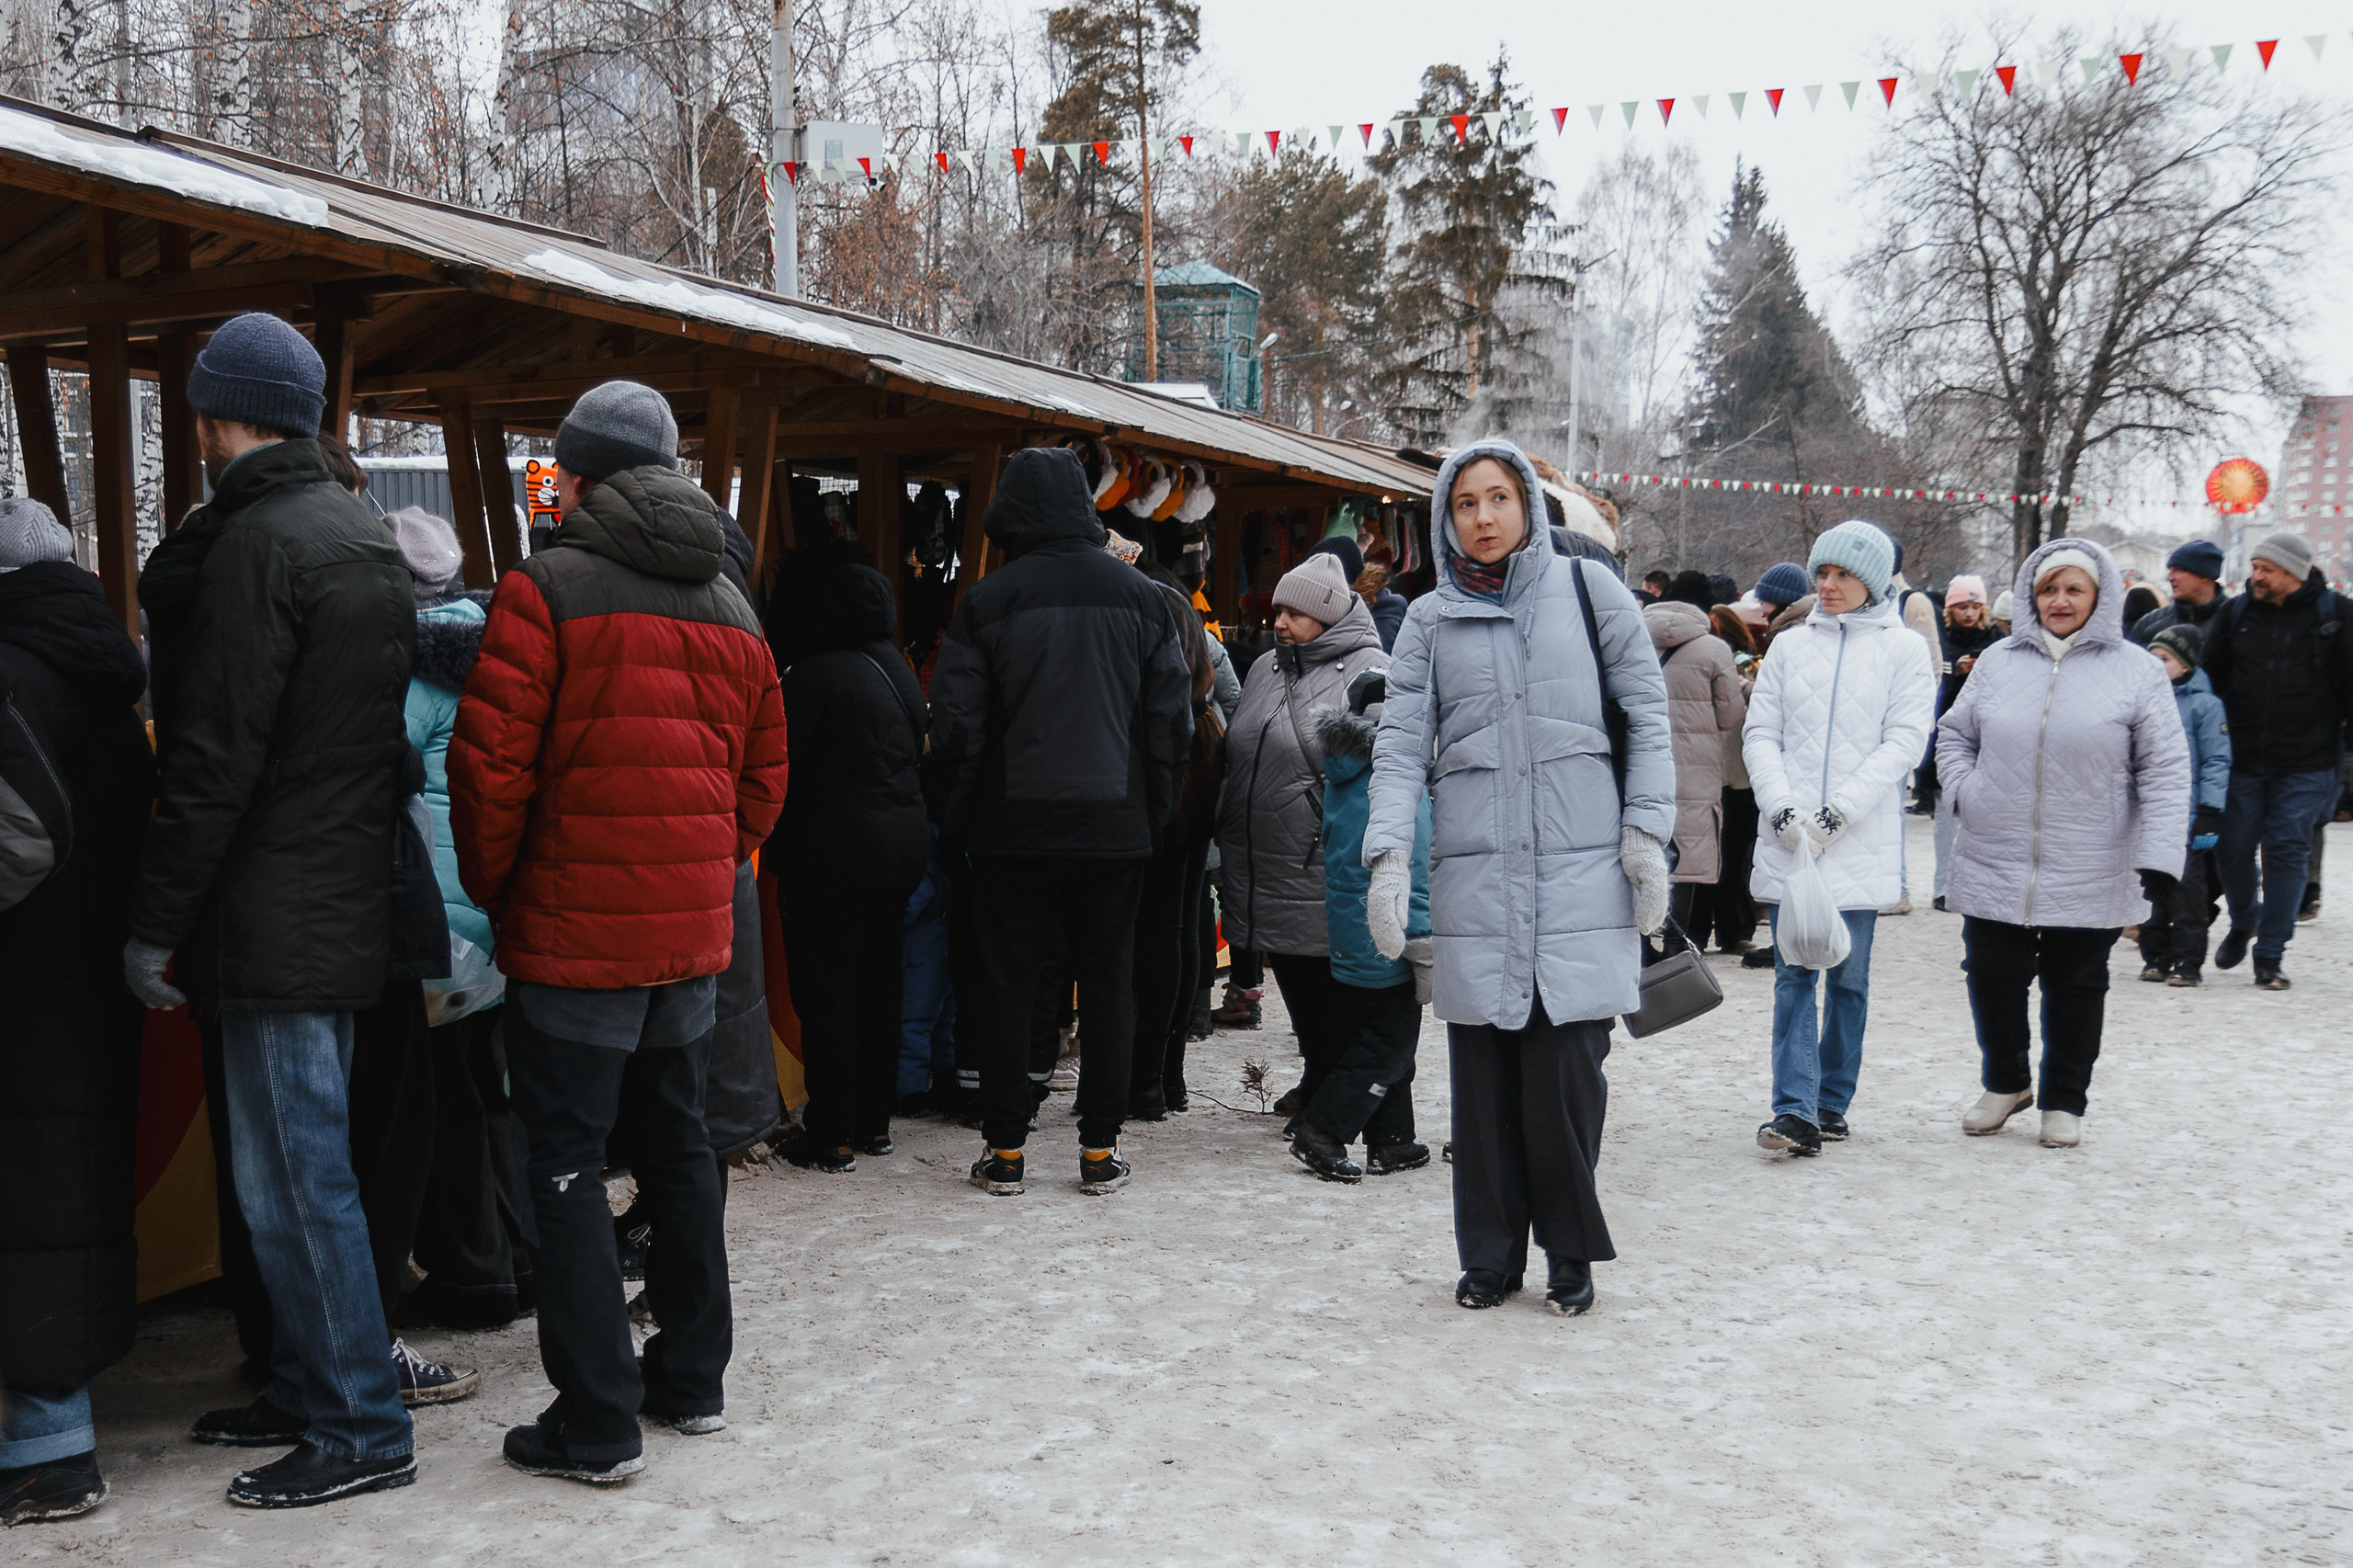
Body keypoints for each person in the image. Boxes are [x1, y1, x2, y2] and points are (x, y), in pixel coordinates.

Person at [449, 380, 787, 1483]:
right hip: (687, 938)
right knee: (679, 1145)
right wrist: (700, 870)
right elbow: (763, 781)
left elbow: (489, 769)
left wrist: (504, 893)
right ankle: (691, 1375)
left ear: (580, 474)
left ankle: (595, 1417)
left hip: (573, 937)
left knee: (563, 1159)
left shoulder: (544, 587)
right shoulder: (732, 602)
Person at [122, 312, 421, 1507]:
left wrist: (155, 921)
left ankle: (358, 1420)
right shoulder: (357, 530)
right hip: (340, 898)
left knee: (294, 1182)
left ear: (217, 414)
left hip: (271, 910)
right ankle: (309, 1384)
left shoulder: (254, 544)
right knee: (302, 1172)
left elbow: (214, 757)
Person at [1365, 437, 1674, 1317]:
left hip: (1582, 877)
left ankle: (1569, 1254)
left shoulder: (1591, 591)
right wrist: (1386, 857)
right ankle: (1490, 1257)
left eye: (1498, 498)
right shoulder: (1429, 619)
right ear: (1446, 518)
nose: (1484, 517)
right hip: (1479, 884)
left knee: (1567, 1080)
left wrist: (1645, 835)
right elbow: (1399, 747)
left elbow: (1648, 715)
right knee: (1486, 1089)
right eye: (1466, 503)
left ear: (1528, 505)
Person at [924, 447, 1192, 1198]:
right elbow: (1170, 724)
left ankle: (1006, 1147)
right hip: (1116, 827)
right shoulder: (1143, 598)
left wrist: (956, 820)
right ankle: (1099, 1148)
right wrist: (1154, 815)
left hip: (1011, 831)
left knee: (1009, 984)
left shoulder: (988, 600)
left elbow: (957, 729)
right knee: (1109, 985)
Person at [0, 501, 154, 1527]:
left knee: (25, 1200)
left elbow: (21, 835)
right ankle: (55, 1437)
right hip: (94, 969)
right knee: (69, 1190)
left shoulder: (11, 668)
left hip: (23, 975)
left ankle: (44, 1452)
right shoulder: (103, 668)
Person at [1939, 540, 2189, 1147]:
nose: (2060, 600)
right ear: (2031, 594)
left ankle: (2064, 1100)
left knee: (2075, 983)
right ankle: (2006, 1083)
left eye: (2074, 589)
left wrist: (2159, 855)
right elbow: (1954, 736)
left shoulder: (2136, 671)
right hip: (1996, 850)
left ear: (2100, 597)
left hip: (2092, 856)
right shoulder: (1997, 662)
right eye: (2049, 588)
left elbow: (2165, 767)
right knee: (1991, 974)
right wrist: (1968, 792)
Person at [1743, 520, 1936, 1159]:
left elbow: (1903, 742)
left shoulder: (1903, 650)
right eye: (1821, 572)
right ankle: (1793, 1109)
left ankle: (1831, 1099)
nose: (1827, 584)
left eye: (1842, 574)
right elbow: (1760, 733)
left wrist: (1838, 815)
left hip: (1857, 839)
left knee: (1848, 978)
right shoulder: (1790, 646)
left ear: (1872, 582)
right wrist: (1781, 809)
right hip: (1790, 838)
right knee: (1793, 974)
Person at [391, 507, 534, 1332]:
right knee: (495, 1097)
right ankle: (523, 1259)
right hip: (495, 912)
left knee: (442, 1107)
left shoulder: (405, 672)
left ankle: (473, 1274)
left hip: (433, 926)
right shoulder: (501, 654)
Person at [1214, 550, 1390, 1131]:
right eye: (1278, 611)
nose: (1280, 623)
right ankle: (1318, 1076)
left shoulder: (1369, 669)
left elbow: (1379, 769)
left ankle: (1332, 1090)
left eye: (1294, 614)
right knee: (1292, 976)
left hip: (1320, 854)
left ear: (1329, 616)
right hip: (1262, 854)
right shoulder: (1267, 667)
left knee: (1326, 988)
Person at [767, 562, 929, 1172]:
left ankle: (830, 1131)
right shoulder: (896, 668)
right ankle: (873, 1123)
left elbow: (780, 764)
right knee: (879, 989)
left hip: (829, 857)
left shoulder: (812, 675)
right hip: (899, 851)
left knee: (828, 994)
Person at [1290, 670, 1432, 1181]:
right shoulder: (1393, 787)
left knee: (1381, 1036)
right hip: (1388, 934)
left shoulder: (1346, 774)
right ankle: (1321, 1130)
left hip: (1352, 930)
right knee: (1387, 1044)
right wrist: (1422, 942)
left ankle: (1392, 1140)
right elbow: (1411, 872)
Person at [2202, 532, 2353, 989]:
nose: (2257, 576)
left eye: (2266, 569)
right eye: (2255, 567)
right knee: (2232, 849)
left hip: (2309, 762)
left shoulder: (2337, 615)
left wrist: (2345, 761)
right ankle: (2245, 919)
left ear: (2294, 573)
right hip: (2242, 760)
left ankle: (2270, 953)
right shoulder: (2236, 613)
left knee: (2287, 853)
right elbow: (2209, 681)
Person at [1128, 559, 1223, 1121]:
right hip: (1196, 761)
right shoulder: (1174, 600)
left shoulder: (1151, 601)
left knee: (1163, 929)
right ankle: (1168, 1076)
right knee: (1181, 922)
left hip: (1170, 770)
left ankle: (1146, 1078)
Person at [1643, 595, 1745, 937]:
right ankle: (1678, 948)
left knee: (1644, 845)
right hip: (1695, 768)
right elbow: (1729, 716)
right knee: (1689, 852)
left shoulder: (1631, 639)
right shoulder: (1715, 649)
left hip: (1642, 761)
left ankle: (1643, 950)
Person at [2139, 625, 2230, 986]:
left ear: (2186, 665)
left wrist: (2209, 811)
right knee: (2151, 892)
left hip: (2186, 816)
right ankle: (2156, 956)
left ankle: (2188, 962)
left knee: (2188, 894)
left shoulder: (2205, 706)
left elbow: (2216, 761)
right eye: (2151, 659)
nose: (2156, 666)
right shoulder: (2142, 702)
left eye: (2164, 659)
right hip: (2149, 815)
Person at [1687, 606, 1761, 955]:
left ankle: (1726, 930)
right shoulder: (1695, 661)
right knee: (1712, 857)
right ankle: (1712, 931)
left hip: (1732, 775)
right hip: (1719, 774)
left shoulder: (1748, 666)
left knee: (1732, 857)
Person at [1929, 575, 2001, 912]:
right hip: (1950, 741)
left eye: (1974, 606)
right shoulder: (1940, 643)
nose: (1969, 613)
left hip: (1991, 741)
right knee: (1946, 819)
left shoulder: (1998, 642)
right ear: (1950, 610)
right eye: (1962, 607)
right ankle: (1943, 887)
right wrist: (1954, 673)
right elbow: (1934, 695)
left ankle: (1984, 888)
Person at [2126, 539, 2228, 646]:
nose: (2169, 578)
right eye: (2170, 570)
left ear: (2205, 575)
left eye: (2178, 570)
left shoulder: (2234, 622)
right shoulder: (2149, 624)